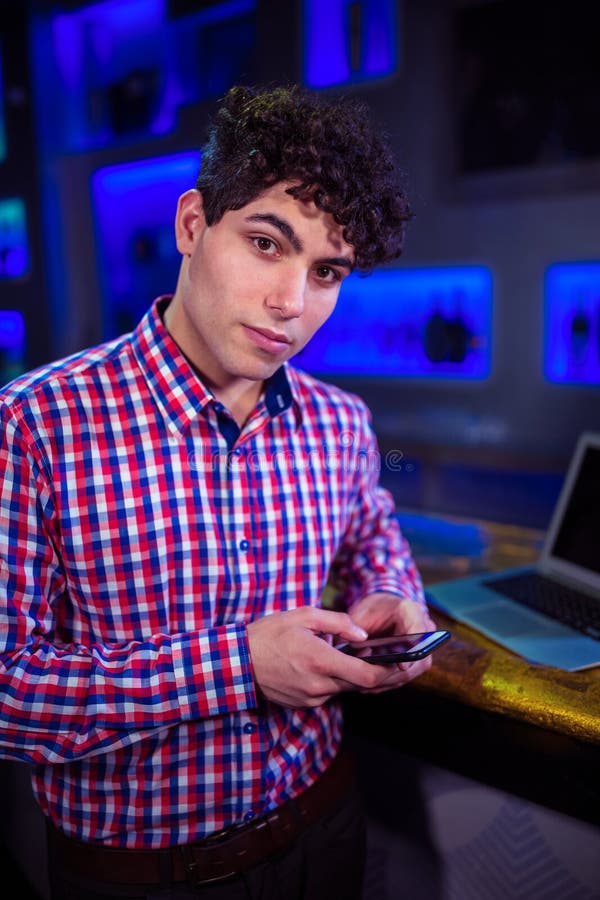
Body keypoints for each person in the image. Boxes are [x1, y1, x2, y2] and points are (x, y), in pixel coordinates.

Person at [0, 84, 437, 899]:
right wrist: (236, 664)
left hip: (326, 822)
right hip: (143, 876)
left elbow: (375, 538)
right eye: (268, 244)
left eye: (327, 270)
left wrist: (392, 595)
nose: (292, 306)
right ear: (194, 226)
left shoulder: (342, 422)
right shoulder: (32, 426)